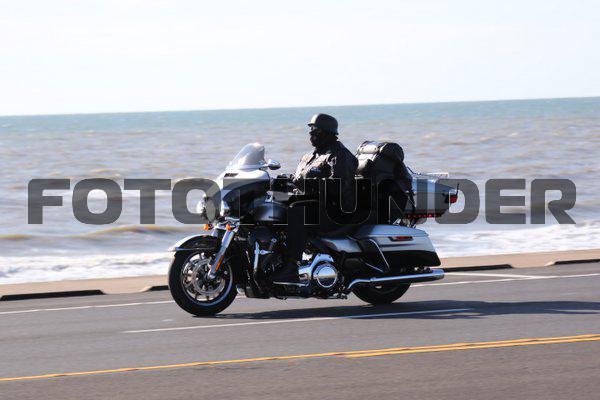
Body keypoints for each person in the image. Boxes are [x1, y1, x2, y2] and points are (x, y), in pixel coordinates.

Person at [271, 113, 358, 283]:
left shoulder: (340, 155)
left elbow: (338, 185)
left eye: (315, 130)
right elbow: (298, 179)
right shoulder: (310, 156)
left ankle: (292, 267)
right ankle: (273, 259)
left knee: (297, 212)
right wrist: (279, 182)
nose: (311, 134)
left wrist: (308, 184)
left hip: (336, 211)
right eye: (310, 130)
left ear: (328, 132)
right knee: (273, 206)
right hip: (316, 205)